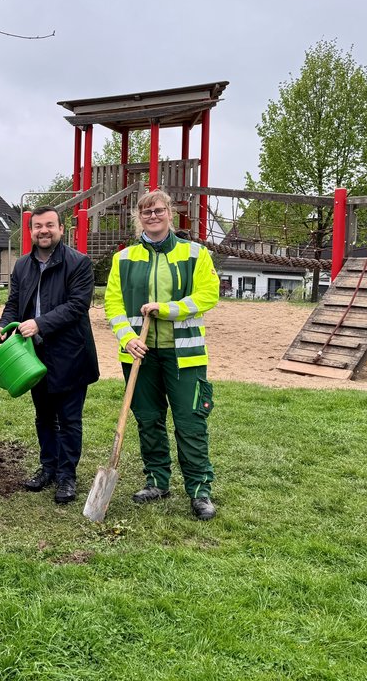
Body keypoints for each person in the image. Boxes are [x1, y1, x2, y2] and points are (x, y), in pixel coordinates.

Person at [103, 189, 220, 521]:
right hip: (140, 355)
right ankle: (156, 481)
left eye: (158, 210)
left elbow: (208, 295)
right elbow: (113, 304)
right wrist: (127, 338)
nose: (152, 216)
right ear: (138, 218)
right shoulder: (124, 259)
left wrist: (167, 309)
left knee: (190, 422)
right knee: (148, 419)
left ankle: (199, 490)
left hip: (185, 354)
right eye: (146, 212)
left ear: (170, 213)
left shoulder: (195, 254)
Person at [0, 206, 100, 504]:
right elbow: (14, 303)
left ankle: (67, 476)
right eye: (38, 226)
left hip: (70, 353)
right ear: (30, 232)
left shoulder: (78, 263)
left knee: (69, 419)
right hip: (34, 355)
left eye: (50, 225)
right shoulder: (22, 266)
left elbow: (77, 306)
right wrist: (3, 326)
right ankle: (49, 468)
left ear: (61, 229)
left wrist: (40, 323)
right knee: (43, 417)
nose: (44, 231)